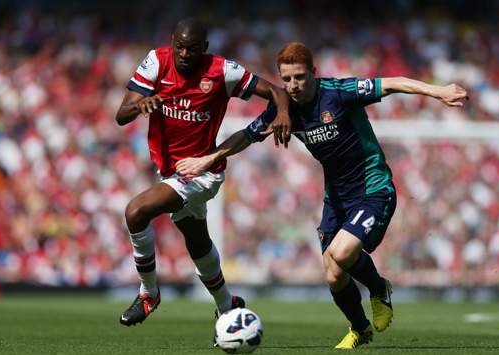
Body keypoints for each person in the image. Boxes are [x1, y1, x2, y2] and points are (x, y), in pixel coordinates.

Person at [175, 42, 468, 349]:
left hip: (373, 189)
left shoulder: (339, 92)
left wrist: (439, 92)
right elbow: (247, 136)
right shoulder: (284, 109)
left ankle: (379, 288)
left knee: (341, 254)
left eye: (299, 77)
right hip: (337, 198)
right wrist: (208, 159)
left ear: (313, 73)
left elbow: (393, 84)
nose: (293, 85)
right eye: (286, 79)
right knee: (333, 275)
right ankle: (360, 329)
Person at [114, 18, 291, 330]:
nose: (184, 53)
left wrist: (284, 114)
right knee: (197, 243)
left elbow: (276, 91)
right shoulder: (157, 61)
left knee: (136, 211)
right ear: (172, 42)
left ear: (204, 49)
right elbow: (121, 115)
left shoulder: (222, 71)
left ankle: (148, 293)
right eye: (179, 46)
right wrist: (142, 103)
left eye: (192, 49)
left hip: (203, 171)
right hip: (170, 171)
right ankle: (227, 305)